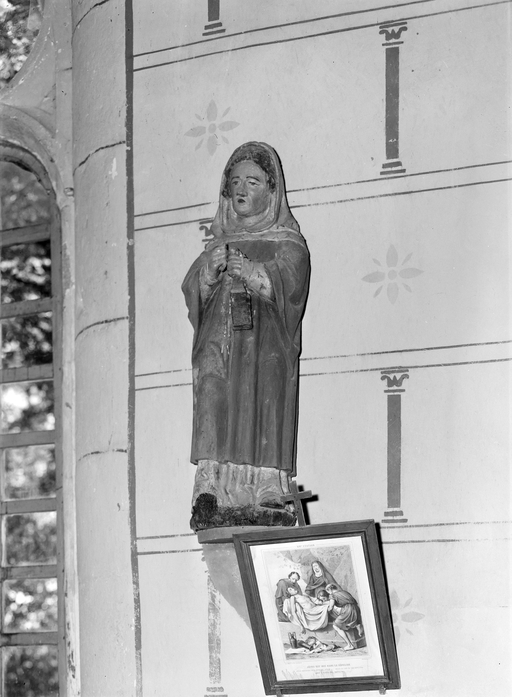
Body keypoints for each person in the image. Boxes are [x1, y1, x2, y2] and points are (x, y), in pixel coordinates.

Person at [182, 142, 310, 530]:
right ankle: (211, 485)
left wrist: (254, 272)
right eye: (235, 182)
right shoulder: (217, 245)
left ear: (272, 191)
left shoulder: (288, 244)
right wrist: (209, 272)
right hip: (219, 345)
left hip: (266, 346)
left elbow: (291, 287)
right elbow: (193, 293)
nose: (241, 189)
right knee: (212, 392)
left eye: (252, 182)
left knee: (266, 396)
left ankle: (267, 486)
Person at [325, 583, 364, 650]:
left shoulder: (332, 595)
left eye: (328, 592)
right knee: (346, 620)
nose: (328, 593)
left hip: (348, 610)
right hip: (355, 608)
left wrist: (326, 609)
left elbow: (331, 607)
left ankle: (349, 645)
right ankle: (357, 625)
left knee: (335, 626)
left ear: (329, 590)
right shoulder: (344, 592)